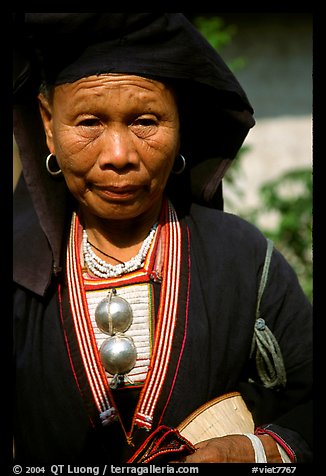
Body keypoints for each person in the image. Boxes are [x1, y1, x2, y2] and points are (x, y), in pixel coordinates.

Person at [13, 13, 312, 464]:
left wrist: (258, 448)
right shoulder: (18, 271)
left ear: (182, 124)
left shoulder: (245, 261)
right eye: (90, 122)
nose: (120, 156)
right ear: (48, 126)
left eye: (145, 121)